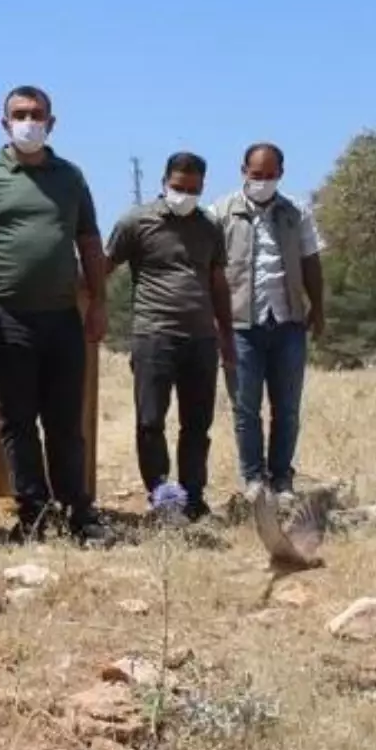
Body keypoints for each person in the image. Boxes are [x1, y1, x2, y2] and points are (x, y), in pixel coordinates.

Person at [0, 85, 110, 545]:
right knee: (17, 419)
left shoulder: (70, 177)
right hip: (6, 315)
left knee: (64, 421)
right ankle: (33, 513)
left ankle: (79, 513)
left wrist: (99, 303)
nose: (28, 121)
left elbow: (90, 243)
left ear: (51, 123)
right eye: (19, 114)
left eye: (36, 114)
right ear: (4, 123)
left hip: (62, 316)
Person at [105, 152, 234, 522]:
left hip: (201, 339)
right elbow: (105, 265)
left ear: (203, 186)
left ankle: (193, 497)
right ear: (164, 182)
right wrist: (85, 304)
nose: (185, 194)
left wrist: (225, 333)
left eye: (193, 189)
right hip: (154, 335)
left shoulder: (210, 227)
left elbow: (217, 281)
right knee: (150, 421)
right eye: (179, 187)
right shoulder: (136, 221)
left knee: (197, 424)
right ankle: (162, 496)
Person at [207, 142, 326, 508]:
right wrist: (214, 319)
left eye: (270, 175)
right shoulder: (220, 213)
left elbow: (310, 260)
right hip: (240, 325)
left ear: (281, 174)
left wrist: (318, 306)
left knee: (286, 406)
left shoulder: (296, 212)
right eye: (256, 175)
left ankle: (282, 478)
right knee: (246, 408)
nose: (262, 181)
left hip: (287, 321)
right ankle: (254, 478)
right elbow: (207, 270)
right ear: (243, 170)